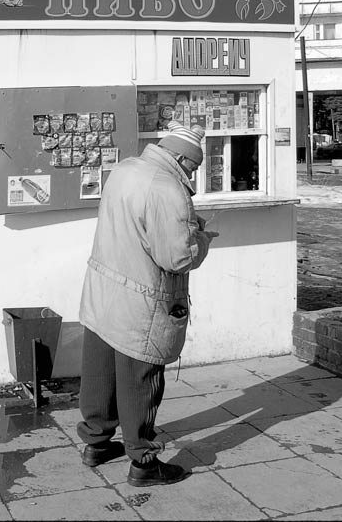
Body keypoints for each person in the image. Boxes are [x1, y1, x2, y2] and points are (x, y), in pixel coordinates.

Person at [77, 121, 218, 487]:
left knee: (100, 374)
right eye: (193, 165)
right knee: (140, 380)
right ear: (179, 156)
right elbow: (178, 257)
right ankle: (143, 462)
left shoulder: (125, 170)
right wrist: (201, 238)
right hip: (141, 301)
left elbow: (135, 226)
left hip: (103, 292)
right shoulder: (167, 188)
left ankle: (96, 443)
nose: (193, 172)